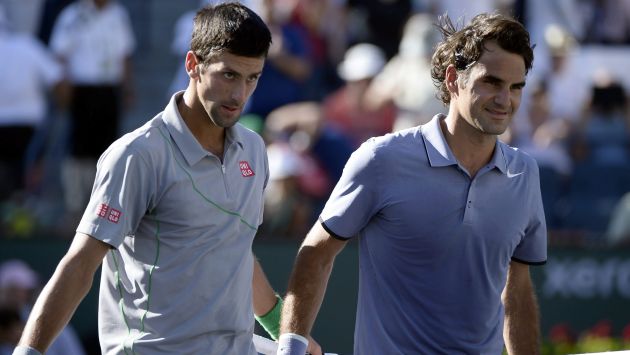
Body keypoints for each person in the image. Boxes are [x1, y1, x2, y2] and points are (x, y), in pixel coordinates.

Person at [13, 3, 321, 355]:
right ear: (192, 65)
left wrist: (284, 329)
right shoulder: (137, 155)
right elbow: (81, 263)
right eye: (229, 75)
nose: (239, 95)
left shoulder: (253, 149)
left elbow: (234, 250)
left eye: (253, 78)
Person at [277, 12, 547, 355]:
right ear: (453, 79)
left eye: (516, 87)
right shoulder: (381, 159)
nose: (504, 99)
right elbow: (316, 254)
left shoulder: (525, 173)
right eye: (491, 82)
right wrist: (291, 346)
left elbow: (517, 288)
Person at [48, 0, 135, 218]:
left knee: (109, 147)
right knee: (78, 149)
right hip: (82, 90)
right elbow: (60, 54)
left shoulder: (119, 13)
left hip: (109, 89)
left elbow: (124, 54)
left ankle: (103, 203)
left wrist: (127, 86)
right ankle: (76, 206)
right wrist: (63, 87)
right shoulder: (72, 15)